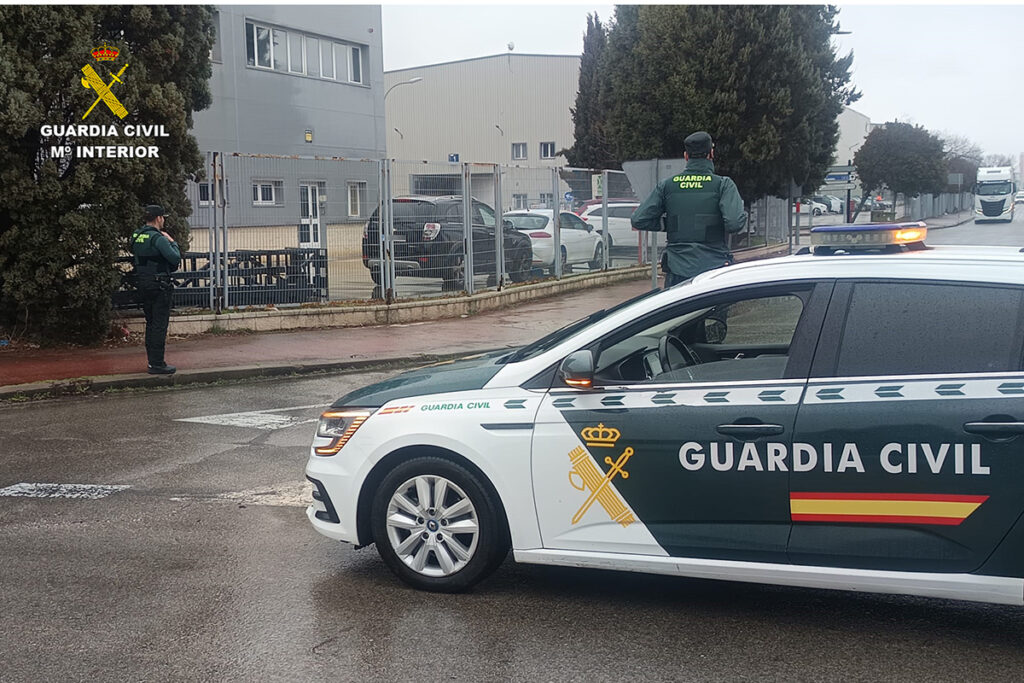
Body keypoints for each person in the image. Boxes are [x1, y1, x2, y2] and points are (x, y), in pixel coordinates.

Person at [631, 131, 747, 288]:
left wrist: (668, 224)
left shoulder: (667, 186)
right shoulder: (723, 185)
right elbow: (734, 223)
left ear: (686, 156)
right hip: (713, 270)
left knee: (677, 305)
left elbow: (638, 220)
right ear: (711, 154)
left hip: (677, 270)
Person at [131, 204, 181, 374]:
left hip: (143, 283)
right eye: (163, 217)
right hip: (160, 285)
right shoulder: (158, 238)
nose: (164, 220)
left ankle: (152, 361)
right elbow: (175, 258)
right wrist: (173, 242)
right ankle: (157, 363)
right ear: (158, 218)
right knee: (159, 325)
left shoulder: (137, 235)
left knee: (150, 323)